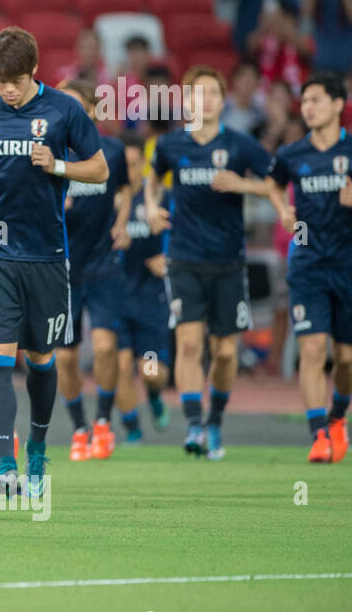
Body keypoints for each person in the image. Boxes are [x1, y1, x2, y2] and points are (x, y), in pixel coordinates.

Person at [0, 27, 109, 496]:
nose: (7, 89)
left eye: (16, 81)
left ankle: (39, 453)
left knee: (42, 358)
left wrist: (59, 166)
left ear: (34, 73)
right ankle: (6, 466)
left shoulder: (65, 109)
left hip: (45, 253)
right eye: (1, 80)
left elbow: (100, 169)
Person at [146, 65, 273, 460]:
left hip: (229, 262)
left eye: (213, 94)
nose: (206, 101)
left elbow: (274, 182)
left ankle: (216, 418)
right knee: (188, 343)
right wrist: (151, 207)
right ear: (186, 101)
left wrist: (244, 184)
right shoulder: (171, 145)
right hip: (184, 258)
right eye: (198, 94)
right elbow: (153, 179)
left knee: (224, 353)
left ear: (223, 99)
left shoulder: (240, 145)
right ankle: (194, 425)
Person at [265, 73, 352, 463]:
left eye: (317, 99)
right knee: (313, 349)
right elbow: (272, 183)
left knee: (346, 358)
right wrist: (283, 208)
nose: (309, 107)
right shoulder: (291, 154)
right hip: (306, 264)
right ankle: (319, 435)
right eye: (305, 101)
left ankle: (336, 417)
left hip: (347, 266)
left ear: (338, 105)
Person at [54, 78, 132, 462]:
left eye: (75, 105)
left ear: (91, 110)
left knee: (105, 347)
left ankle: (103, 422)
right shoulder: (45, 154)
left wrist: (124, 220)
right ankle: (79, 428)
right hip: (61, 267)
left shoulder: (112, 151)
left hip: (103, 264)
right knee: (65, 358)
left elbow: (124, 189)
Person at [113, 131, 172, 445]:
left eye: (135, 166)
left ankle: (153, 393)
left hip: (150, 299)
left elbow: (180, 232)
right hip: (116, 298)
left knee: (149, 370)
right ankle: (132, 428)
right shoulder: (109, 200)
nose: (129, 172)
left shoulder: (158, 199)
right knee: (120, 367)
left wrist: (167, 257)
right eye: (124, 165)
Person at [220, 61, 266, 134]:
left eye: (252, 78)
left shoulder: (259, 115)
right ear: (235, 80)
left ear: (257, 84)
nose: (247, 83)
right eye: (244, 77)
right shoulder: (219, 108)